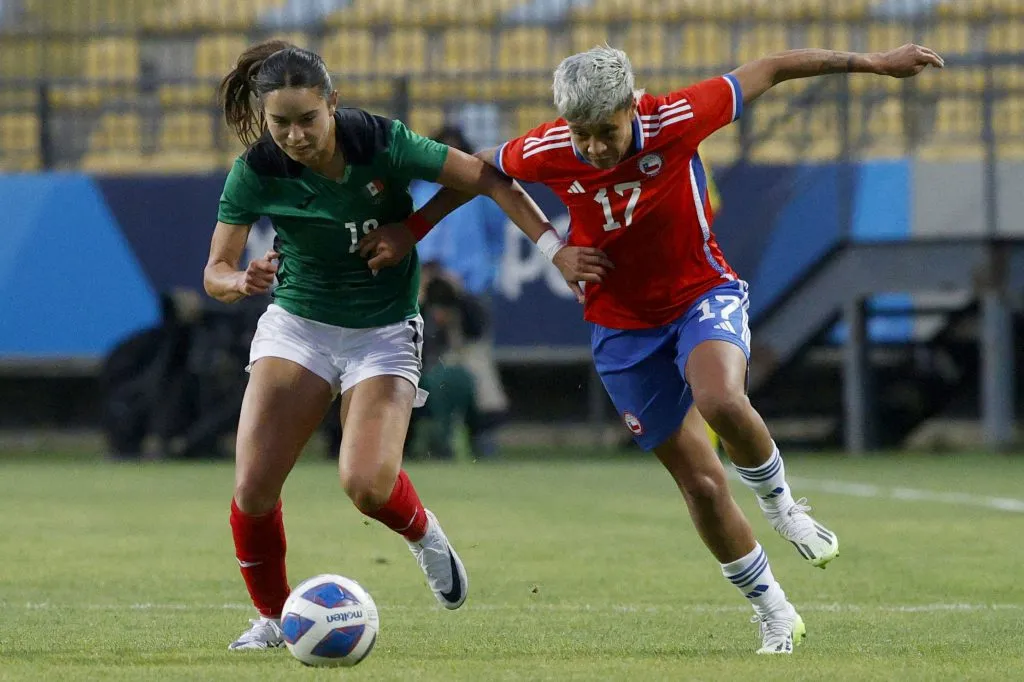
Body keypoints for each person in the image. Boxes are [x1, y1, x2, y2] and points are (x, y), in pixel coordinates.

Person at [362, 42, 944, 654]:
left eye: (605, 132)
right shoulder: (550, 147)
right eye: (580, 134)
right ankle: (773, 609)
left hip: (701, 294)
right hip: (620, 328)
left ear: (632, 106)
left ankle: (782, 505)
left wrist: (874, 64)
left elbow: (772, 67)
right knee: (700, 482)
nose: (592, 148)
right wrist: (538, 245)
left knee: (720, 398)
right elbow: (482, 171)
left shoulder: (679, 117)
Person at [204, 40, 606, 651]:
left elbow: (488, 177)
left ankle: (424, 536)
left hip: (384, 331)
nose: (294, 135)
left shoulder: (381, 143)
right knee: (254, 487)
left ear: (332, 104)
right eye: (279, 123)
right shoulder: (256, 170)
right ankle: (273, 616)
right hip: (298, 325)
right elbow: (215, 270)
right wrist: (241, 280)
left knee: (365, 484)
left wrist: (418, 229)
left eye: (307, 119)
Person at [411, 125, 510, 458]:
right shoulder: (418, 190)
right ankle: (426, 440)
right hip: (424, 290)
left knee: (476, 358)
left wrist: (483, 275)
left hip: (469, 292)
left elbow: (497, 237)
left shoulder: (479, 195)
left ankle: (484, 441)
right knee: (420, 361)